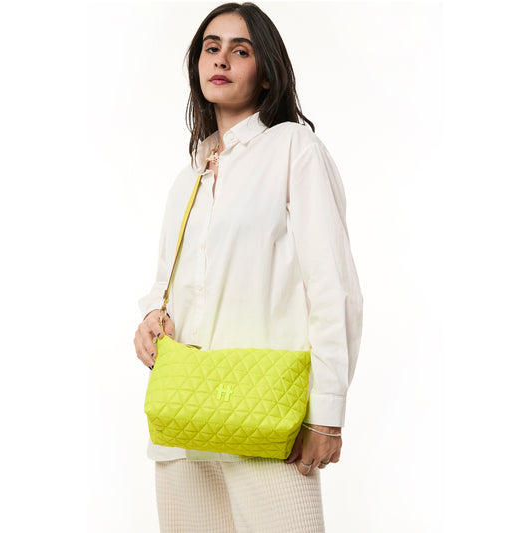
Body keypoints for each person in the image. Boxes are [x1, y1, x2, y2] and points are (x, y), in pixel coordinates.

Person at [133, 2, 363, 531]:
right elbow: (171, 282)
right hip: (182, 425)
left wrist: (326, 413)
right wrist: (151, 318)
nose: (221, 59)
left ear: (266, 75)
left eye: (241, 51)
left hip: (267, 419)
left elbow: (333, 286)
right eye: (211, 48)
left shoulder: (293, 149)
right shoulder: (188, 176)